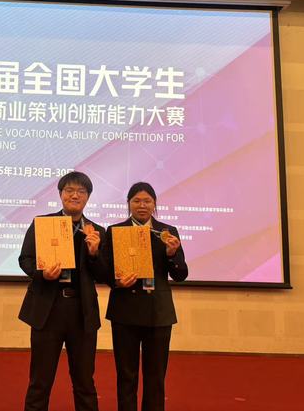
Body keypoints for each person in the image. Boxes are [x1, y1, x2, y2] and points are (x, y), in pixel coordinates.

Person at [18, 171, 108, 411]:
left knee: (84, 381)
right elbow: (25, 259)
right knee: (40, 380)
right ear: (60, 194)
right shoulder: (43, 224)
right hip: (49, 309)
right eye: (69, 190)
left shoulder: (97, 231)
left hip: (82, 312)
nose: (75, 195)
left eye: (81, 191)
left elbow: (104, 275)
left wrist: (94, 253)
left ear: (88, 197)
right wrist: (42, 274)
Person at [103, 182, 188, 411]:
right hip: (125, 311)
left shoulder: (167, 232)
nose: (142, 205)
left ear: (154, 204)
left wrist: (171, 254)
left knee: (155, 376)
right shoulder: (115, 231)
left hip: (158, 313)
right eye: (137, 201)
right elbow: (104, 270)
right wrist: (117, 281)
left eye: (147, 201)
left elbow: (180, 275)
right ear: (128, 203)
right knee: (126, 375)